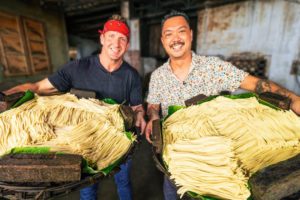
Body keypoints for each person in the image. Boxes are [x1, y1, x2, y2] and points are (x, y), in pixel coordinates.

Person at [145, 10, 300, 200]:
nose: (175, 39)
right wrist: (153, 117)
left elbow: (255, 84)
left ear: (191, 35)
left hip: (215, 166)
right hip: (176, 163)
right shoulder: (158, 77)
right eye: (169, 34)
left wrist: (293, 99)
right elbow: (153, 105)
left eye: (181, 31)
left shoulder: (213, 68)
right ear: (162, 40)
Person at [3, 14, 146, 200]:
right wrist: (5, 96)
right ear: (102, 38)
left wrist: (141, 115)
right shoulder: (77, 68)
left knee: (123, 181)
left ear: (127, 45)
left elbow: (137, 107)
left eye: (122, 39)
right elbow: (38, 87)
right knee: (87, 188)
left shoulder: (131, 76)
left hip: (117, 142)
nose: (116, 43)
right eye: (111, 36)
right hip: (83, 144)